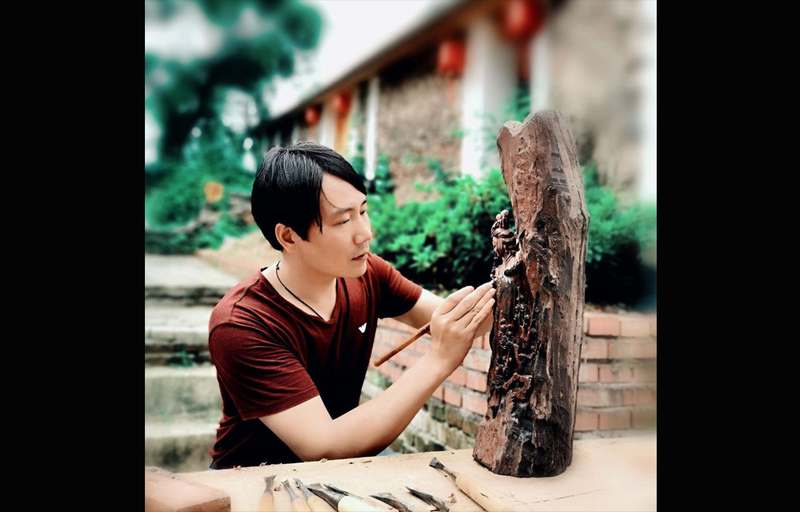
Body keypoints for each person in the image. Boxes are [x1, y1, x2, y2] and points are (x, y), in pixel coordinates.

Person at [208, 142, 495, 469]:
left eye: (363, 211)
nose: (365, 233)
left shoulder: (368, 273)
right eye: (343, 221)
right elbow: (324, 446)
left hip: (343, 467)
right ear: (288, 237)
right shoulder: (242, 323)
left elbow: (462, 318)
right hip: (255, 478)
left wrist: (517, 283)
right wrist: (440, 359)